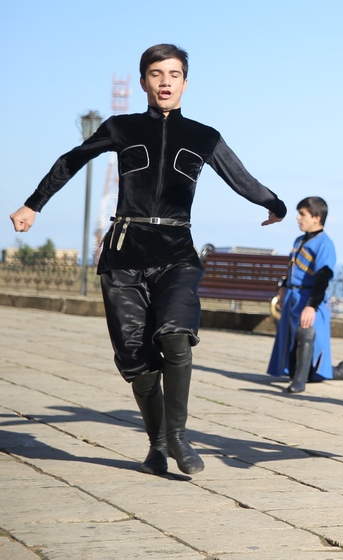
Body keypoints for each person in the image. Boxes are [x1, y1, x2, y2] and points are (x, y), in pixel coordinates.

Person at [9, 44, 286, 477]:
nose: (165, 82)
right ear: (144, 82)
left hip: (176, 253)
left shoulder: (204, 136)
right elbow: (71, 160)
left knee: (176, 337)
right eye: (157, 74)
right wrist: (33, 204)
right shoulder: (121, 127)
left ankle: (177, 437)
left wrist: (275, 204)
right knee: (137, 363)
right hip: (125, 254)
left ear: (185, 83)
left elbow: (240, 176)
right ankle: (157, 443)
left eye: (174, 74)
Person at [267, 197, 343, 394]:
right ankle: (339, 371)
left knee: (306, 334)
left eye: (302, 214)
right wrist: (283, 286)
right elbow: (292, 269)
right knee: (297, 357)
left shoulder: (325, 244)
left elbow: (323, 276)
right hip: (293, 299)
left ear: (316, 217)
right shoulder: (299, 241)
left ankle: (299, 382)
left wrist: (311, 305)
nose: (298, 218)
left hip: (311, 299)